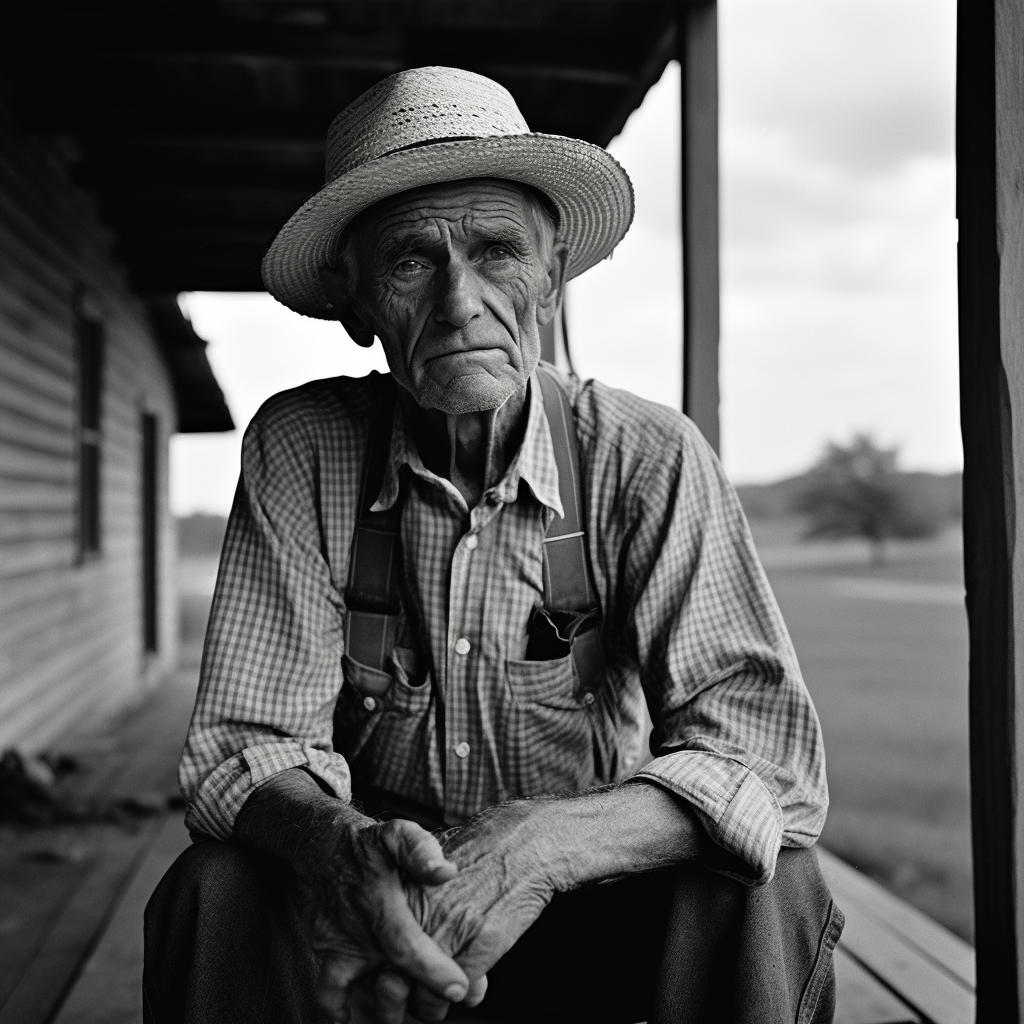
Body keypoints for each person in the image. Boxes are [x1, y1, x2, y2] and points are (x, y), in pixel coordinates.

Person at [145, 66, 842, 1024]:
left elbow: (768, 764)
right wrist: (345, 854)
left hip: (589, 896)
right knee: (214, 887)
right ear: (356, 303)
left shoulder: (642, 455)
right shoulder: (304, 447)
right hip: (376, 911)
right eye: (410, 261)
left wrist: (532, 849)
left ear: (551, 278)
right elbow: (247, 748)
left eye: (497, 251)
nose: (459, 299)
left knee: (772, 883)